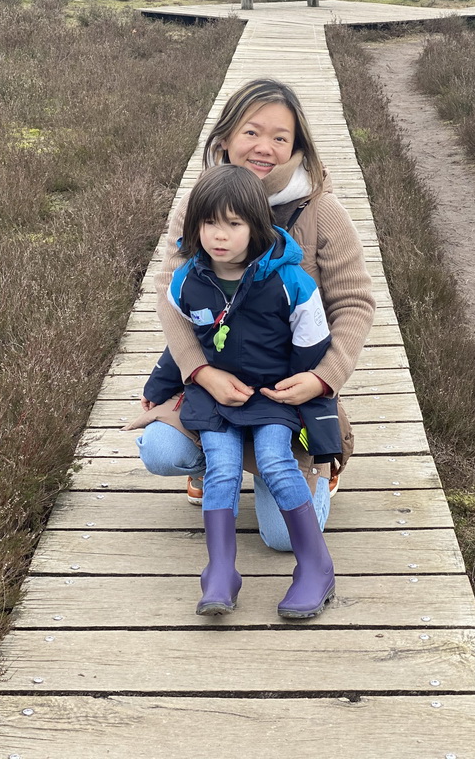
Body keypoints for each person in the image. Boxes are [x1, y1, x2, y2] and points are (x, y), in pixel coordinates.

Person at [125, 78, 375, 552]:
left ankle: (322, 461)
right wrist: (198, 371)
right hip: (217, 379)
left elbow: (355, 303)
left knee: (283, 540)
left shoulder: (324, 212)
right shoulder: (199, 204)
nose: (265, 148)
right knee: (160, 451)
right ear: (224, 139)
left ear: (298, 147)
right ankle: (212, 466)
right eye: (251, 132)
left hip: (287, 392)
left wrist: (325, 378)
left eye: (281, 138)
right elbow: (170, 295)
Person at [142, 164, 342, 617]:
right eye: (210, 222)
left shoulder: (290, 282)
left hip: (272, 398)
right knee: (223, 468)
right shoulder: (189, 280)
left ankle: (316, 567)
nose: (220, 235)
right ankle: (220, 570)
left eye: (234, 223)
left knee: (275, 460)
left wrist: (306, 387)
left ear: (257, 227)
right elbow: (184, 341)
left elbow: (313, 341)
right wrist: (159, 388)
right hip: (215, 397)